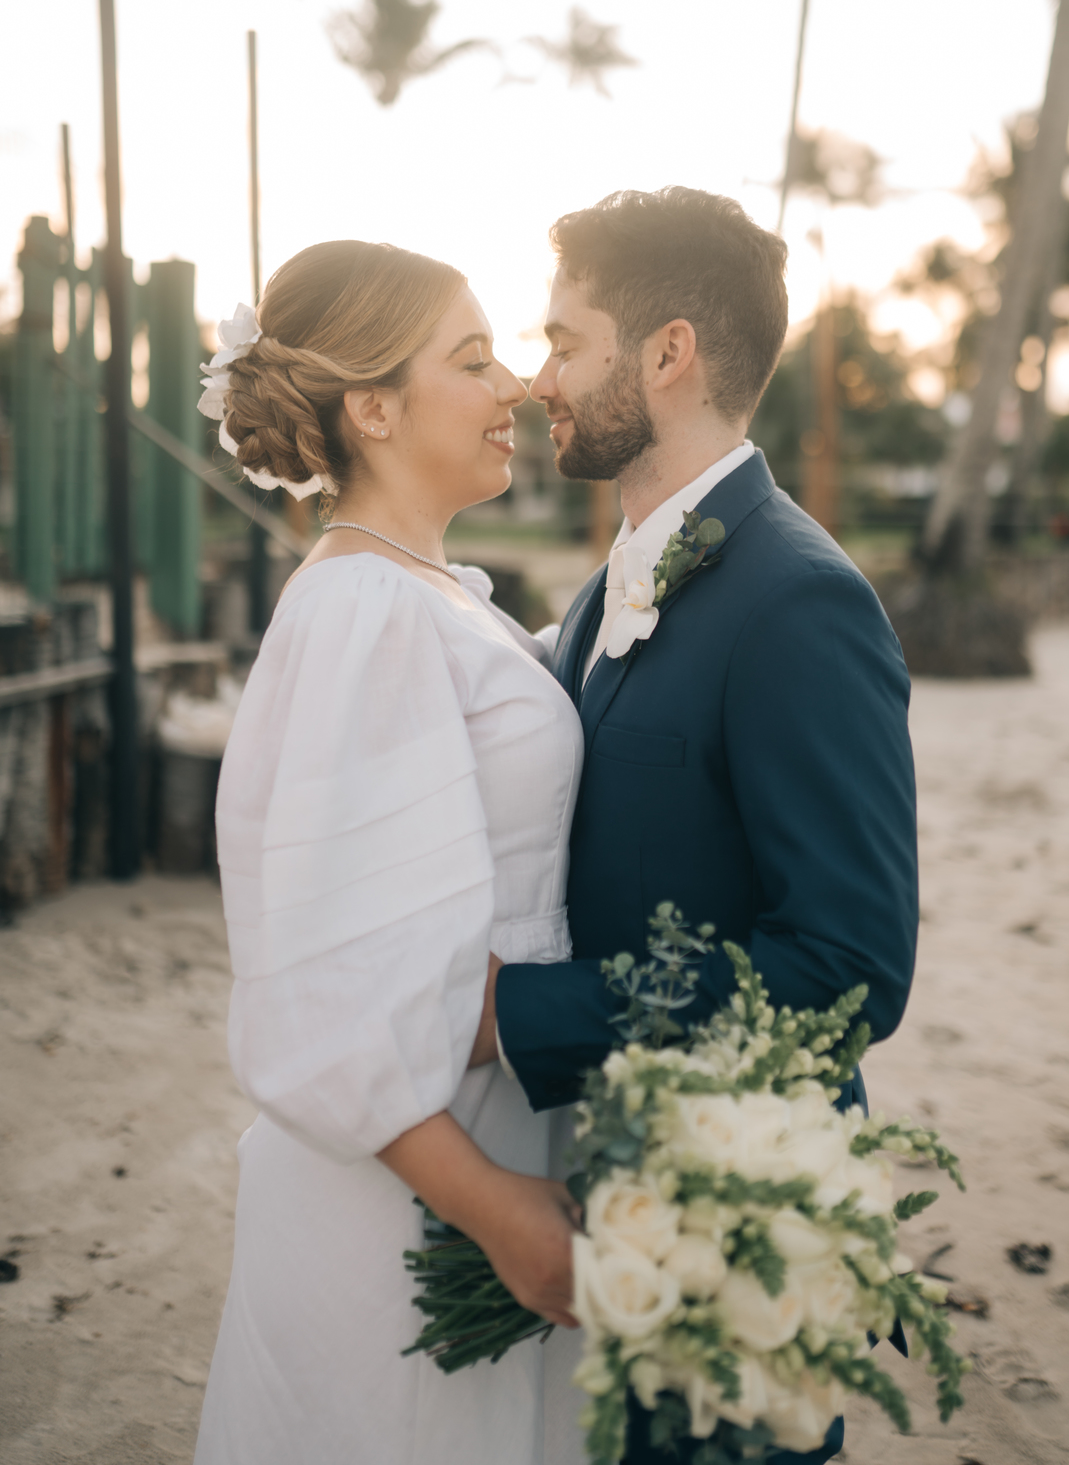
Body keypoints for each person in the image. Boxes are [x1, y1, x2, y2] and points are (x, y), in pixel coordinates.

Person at [480, 187, 920, 1465]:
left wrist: (524, 1014)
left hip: (730, 1228)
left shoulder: (801, 603)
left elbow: (849, 962)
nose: (538, 375)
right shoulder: (597, 592)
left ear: (667, 351)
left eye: (566, 340)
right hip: (593, 1207)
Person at [194, 240, 584, 1465]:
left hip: (479, 1138)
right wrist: (499, 1208)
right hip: (412, 1198)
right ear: (372, 407)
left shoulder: (430, 589)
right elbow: (324, 988)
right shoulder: (360, 610)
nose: (515, 384)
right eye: (473, 361)